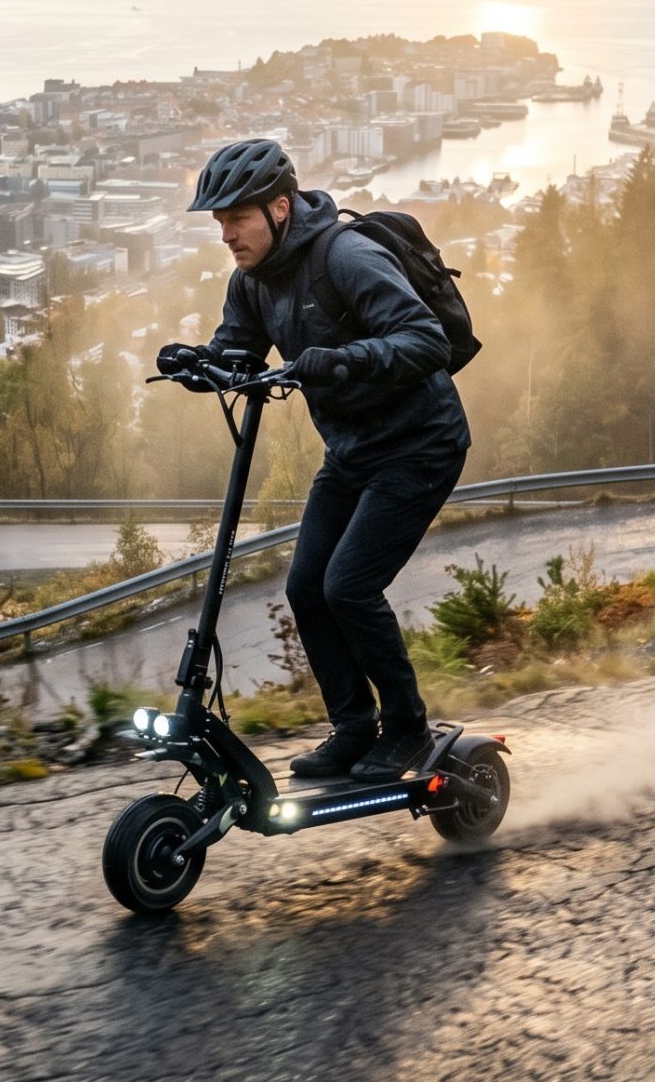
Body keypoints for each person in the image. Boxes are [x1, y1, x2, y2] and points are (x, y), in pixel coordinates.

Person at [161, 138, 470, 782]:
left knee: (349, 587)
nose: (226, 234)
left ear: (279, 208)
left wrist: (345, 359)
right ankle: (355, 727)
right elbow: (237, 352)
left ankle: (407, 729)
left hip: (421, 442)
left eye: (236, 218)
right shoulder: (252, 281)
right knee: (306, 586)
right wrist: (198, 364)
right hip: (353, 449)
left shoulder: (347, 257)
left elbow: (426, 341)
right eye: (219, 221)